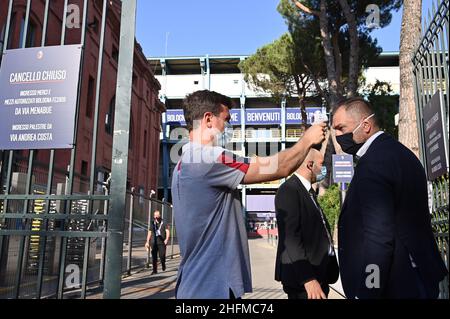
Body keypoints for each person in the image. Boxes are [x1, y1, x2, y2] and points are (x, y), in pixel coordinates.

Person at [171, 90, 327, 299]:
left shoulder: (183, 162)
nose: (228, 127)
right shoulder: (210, 157)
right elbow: (278, 167)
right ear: (208, 119)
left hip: (193, 284)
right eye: (225, 120)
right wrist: (307, 140)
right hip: (212, 288)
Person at [332, 97, 448, 299]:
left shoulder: (374, 163)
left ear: (365, 125)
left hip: (396, 284)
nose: (338, 136)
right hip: (419, 276)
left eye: (341, 128)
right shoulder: (401, 154)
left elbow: (378, 238)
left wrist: (369, 290)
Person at [275, 148, 339, 299]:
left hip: (320, 276)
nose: (324, 169)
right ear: (310, 165)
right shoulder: (289, 190)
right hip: (305, 283)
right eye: (321, 164)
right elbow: (291, 238)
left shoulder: (308, 192)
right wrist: (308, 279)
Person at [145, 210, 170, 275]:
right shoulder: (152, 223)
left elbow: (167, 231)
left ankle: (163, 264)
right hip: (153, 242)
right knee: (154, 257)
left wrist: (166, 239)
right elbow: (149, 232)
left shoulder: (164, 222)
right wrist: (147, 241)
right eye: (155, 216)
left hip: (162, 242)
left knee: (162, 256)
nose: (156, 217)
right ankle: (154, 270)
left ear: (160, 216)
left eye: (157, 216)